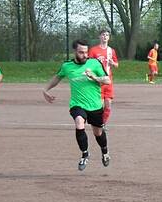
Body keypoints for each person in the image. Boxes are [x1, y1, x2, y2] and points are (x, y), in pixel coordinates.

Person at [43, 39, 112, 171]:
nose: (84, 55)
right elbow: (57, 77)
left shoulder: (94, 63)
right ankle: (85, 154)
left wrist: (95, 78)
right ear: (75, 51)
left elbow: (107, 80)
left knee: (98, 133)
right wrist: (45, 90)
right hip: (77, 104)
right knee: (79, 123)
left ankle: (105, 151)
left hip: (95, 105)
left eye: (86, 52)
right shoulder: (67, 66)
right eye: (81, 52)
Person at [89, 29, 119, 125]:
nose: (105, 37)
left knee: (108, 105)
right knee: (99, 105)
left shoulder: (111, 51)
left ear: (109, 37)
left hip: (108, 81)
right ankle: (97, 122)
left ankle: (103, 123)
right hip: (98, 82)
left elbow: (116, 65)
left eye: (107, 35)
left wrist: (113, 63)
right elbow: (89, 65)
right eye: (103, 35)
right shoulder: (93, 50)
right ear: (99, 36)